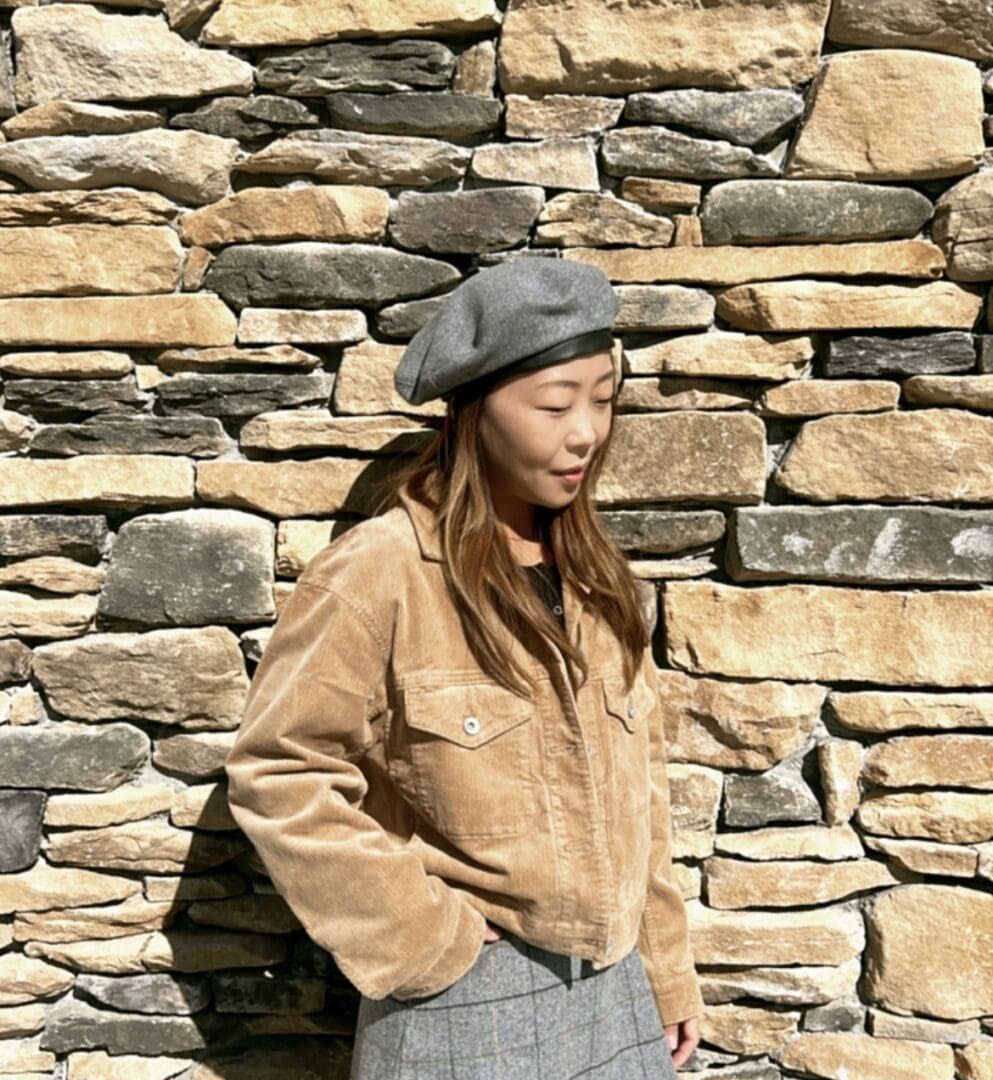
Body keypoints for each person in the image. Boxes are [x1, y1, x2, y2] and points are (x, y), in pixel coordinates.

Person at [223, 258, 704, 1078]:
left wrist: (664, 966)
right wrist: (419, 936)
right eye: (554, 403)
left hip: (618, 990)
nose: (585, 430)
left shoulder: (596, 579)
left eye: (603, 397)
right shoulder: (379, 574)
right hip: (465, 1000)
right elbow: (279, 770)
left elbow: (639, 796)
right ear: (472, 412)